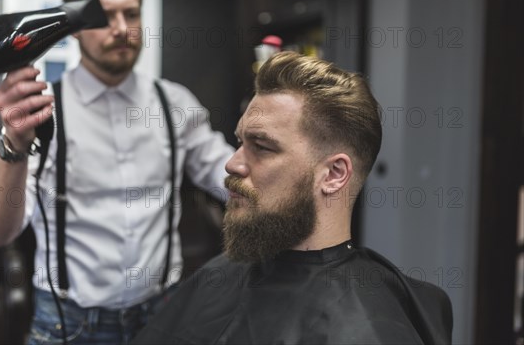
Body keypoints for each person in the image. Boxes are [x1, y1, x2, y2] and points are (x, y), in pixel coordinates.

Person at [0, 0, 234, 344]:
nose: (120, 28)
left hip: (164, 314)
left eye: (131, 13)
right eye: (103, 16)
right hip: (67, 323)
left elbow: (226, 175)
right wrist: (14, 143)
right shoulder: (41, 112)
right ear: (74, 28)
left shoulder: (175, 104)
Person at [132, 51, 453, 344]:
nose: (232, 163)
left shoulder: (368, 327)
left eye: (262, 147)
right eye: (241, 141)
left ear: (334, 174)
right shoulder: (221, 274)